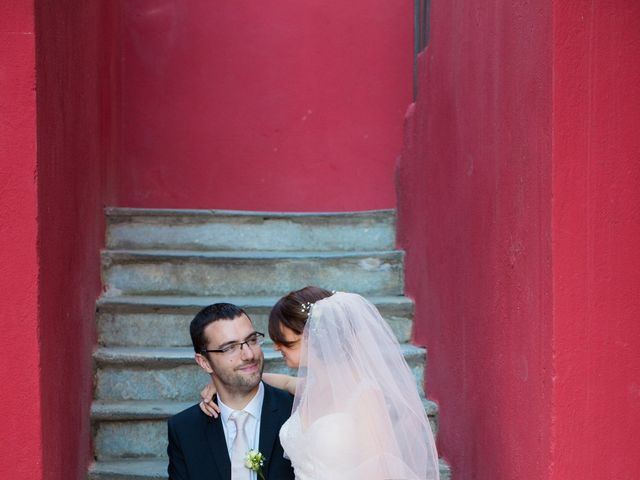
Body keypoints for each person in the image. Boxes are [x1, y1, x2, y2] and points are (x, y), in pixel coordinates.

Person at [200, 288, 440, 480]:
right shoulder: (312, 385)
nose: (276, 347)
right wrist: (221, 384)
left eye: (286, 342)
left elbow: (378, 472)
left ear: (315, 336)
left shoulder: (365, 395)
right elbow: (282, 381)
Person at [167, 303, 296, 480]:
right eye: (229, 348)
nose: (249, 355)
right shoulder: (184, 429)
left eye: (251, 340)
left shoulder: (296, 411)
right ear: (204, 362)